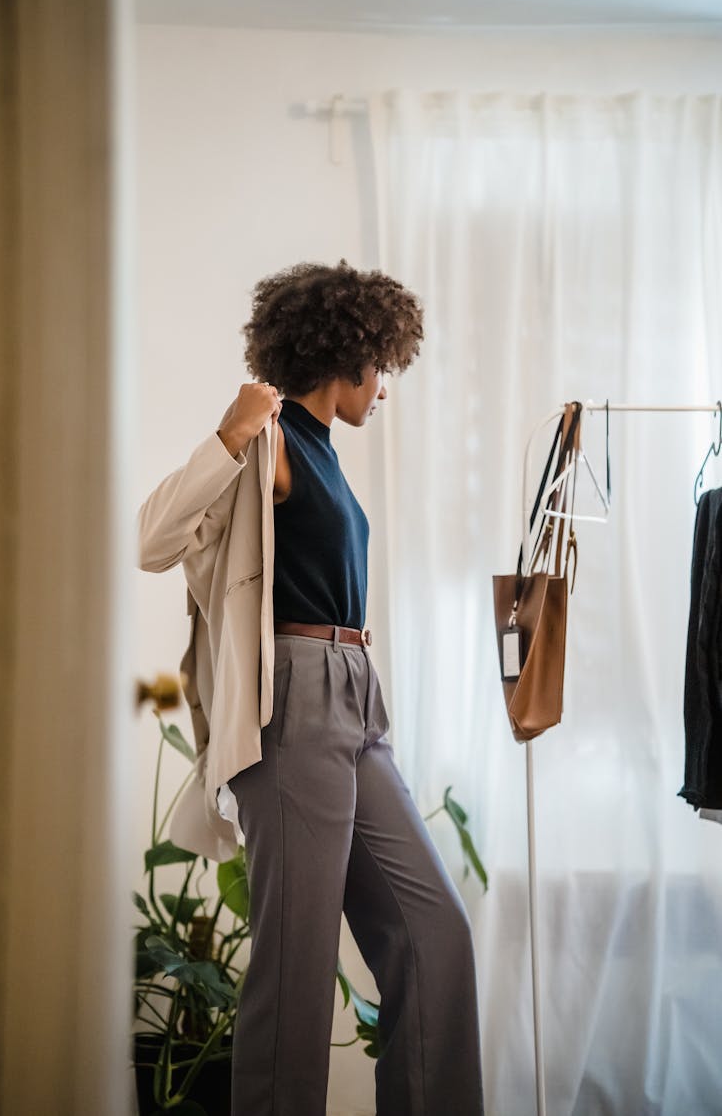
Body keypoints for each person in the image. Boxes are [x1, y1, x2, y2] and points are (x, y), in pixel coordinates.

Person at [220, 259, 485, 1115]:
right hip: (297, 698)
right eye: (385, 366)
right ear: (354, 353)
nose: (385, 386)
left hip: (355, 695)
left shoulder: (325, 455)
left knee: (433, 932)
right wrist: (230, 434)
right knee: (295, 972)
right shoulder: (276, 441)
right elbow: (164, 527)